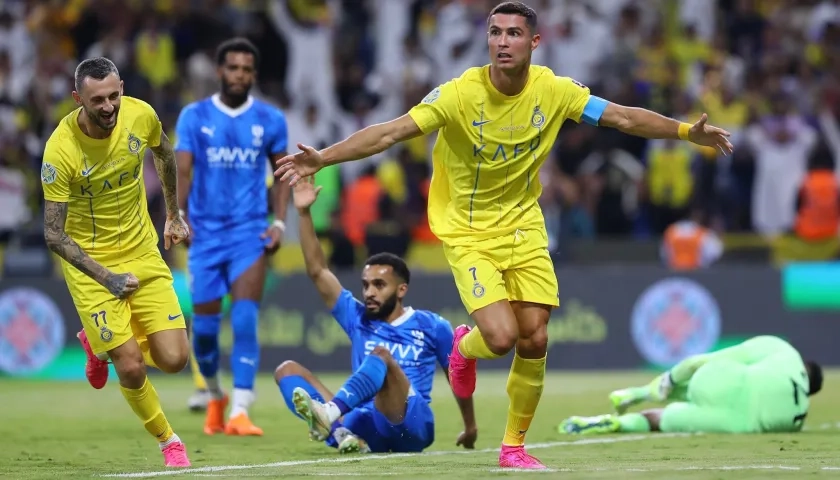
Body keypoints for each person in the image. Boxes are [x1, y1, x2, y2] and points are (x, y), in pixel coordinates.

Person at [274, 1, 733, 470]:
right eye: (495, 33)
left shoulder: (554, 90)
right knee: (499, 337)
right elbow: (390, 133)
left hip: (524, 226)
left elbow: (622, 118)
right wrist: (324, 157)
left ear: (534, 42)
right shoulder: (458, 94)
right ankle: (462, 347)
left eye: (513, 34)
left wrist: (682, 132)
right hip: (469, 230)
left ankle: (512, 446)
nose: (502, 42)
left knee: (534, 337)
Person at [41, 57, 191, 467]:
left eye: (113, 96)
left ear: (121, 87)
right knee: (131, 366)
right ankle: (168, 441)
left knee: (175, 360)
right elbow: (53, 233)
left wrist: (173, 213)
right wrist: (106, 277)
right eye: (97, 100)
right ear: (78, 99)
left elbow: (164, 151)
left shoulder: (140, 115)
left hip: (142, 250)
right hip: (92, 265)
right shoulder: (61, 151)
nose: (108, 107)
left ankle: (98, 340)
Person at [274, 176, 477, 454]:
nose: (369, 292)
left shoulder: (432, 326)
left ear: (402, 289)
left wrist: (471, 426)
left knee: (381, 356)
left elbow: (458, 377)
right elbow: (319, 271)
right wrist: (304, 213)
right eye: (366, 284)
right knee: (286, 370)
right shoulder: (357, 317)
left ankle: (330, 417)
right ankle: (344, 433)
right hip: (366, 422)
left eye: (379, 285)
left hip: (412, 425)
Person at [174, 37, 290, 436]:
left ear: (253, 74)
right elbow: (183, 172)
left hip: (248, 234)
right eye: (233, 68)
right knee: (204, 334)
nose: (240, 75)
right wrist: (178, 216)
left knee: (244, 319)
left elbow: (283, 174)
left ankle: (241, 409)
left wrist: (279, 223)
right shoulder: (194, 116)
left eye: (247, 69)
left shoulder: (271, 119)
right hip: (205, 236)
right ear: (220, 71)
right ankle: (215, 395)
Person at [559, 336, 823, 435]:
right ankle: (615, 423)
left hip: (719, 382)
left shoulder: (784, 350)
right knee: (657, 421)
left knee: (697, 374)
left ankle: (643, 392)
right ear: (809, 391)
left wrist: (672, 377)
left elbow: (706, 361)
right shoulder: (798, 418)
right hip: (731, 423)